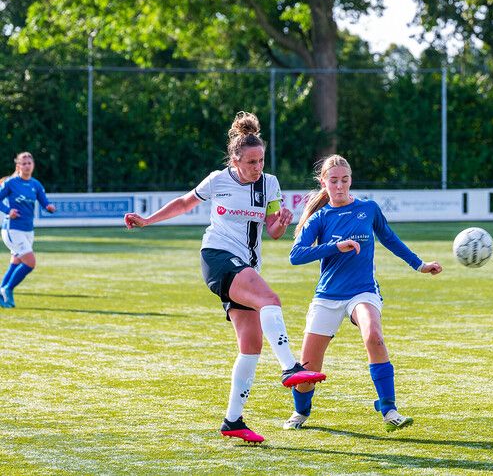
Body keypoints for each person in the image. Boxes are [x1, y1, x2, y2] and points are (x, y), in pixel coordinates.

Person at [123, 111, 326, 444]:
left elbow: (273, 231)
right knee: (270, 300)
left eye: (261, 160)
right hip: (217, 258)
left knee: (251, 345)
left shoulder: (270, 184)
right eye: (250, 161)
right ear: (235, 159)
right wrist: (147, 220)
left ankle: (233, 420)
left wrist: (281, 224)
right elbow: (184, 203)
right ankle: (291, 367)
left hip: (246, 264)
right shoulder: (218, 180)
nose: (257, 166)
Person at [283, 155, 443, 432]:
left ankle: (389, 408)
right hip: (328, 296)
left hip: (363, 291)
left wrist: (420, 265)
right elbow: (295, 256)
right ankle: (301, 412)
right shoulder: (319, 218)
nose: (340, 186)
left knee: (374, 336)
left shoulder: (368, 209)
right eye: (333, 181)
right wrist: (336, 247)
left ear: (351, 180)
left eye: (345, 180)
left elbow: (390, 239)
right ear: (324, 182)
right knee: (307, 371)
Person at [0, 152, 56, 308]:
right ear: (18, 166)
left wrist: (49, 207)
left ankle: (1, 293)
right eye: (23, 163)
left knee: (16, 262)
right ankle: (7, 289)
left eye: (29, 163)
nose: (26, 166)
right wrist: (8, 211)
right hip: (12, 229)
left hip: (28, 230)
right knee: (30, 262)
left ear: (33, 165)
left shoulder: (35, 184)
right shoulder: (11, 183)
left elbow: (44, 201)